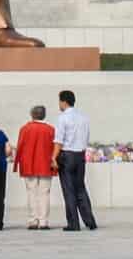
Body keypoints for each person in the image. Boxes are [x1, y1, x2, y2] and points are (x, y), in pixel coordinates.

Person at [51, 90, 96, 231]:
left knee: (69, 190)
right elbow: (86, 137)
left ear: (64, 102)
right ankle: (90, 221)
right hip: (80, 155)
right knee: (81, 188)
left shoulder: (62, 118)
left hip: (67, 155)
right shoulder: (84, 117)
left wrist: (53, 157)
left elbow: (58, 141)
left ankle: (73, 223)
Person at [14, 105, 55, 230]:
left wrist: (16, 164)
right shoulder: (51, 129)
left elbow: (20, 146)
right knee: (45, 193)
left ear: (32, 115)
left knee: (31, 192)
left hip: (28, 164)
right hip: (46, 164)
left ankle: (33, 220)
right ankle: (44, 221)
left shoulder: (25, 129)